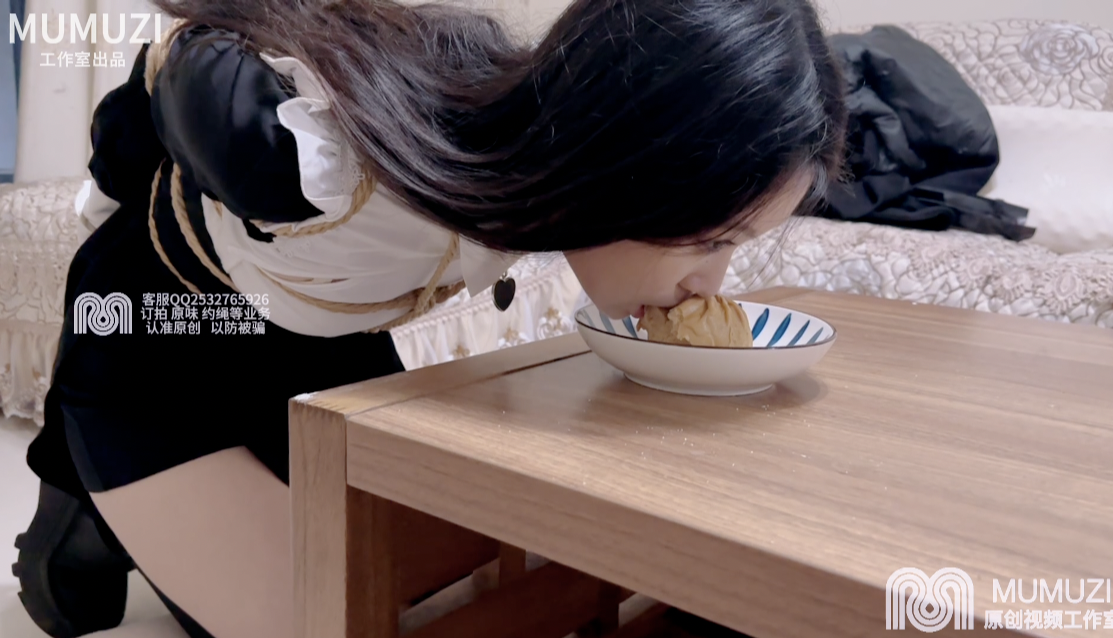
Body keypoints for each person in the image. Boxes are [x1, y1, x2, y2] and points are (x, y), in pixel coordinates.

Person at [12, 0, 846, 635]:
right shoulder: (310, 163)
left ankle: (109, 504)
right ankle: (84, 495)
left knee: (429, 591)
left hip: (326, 340)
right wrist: (111, 178)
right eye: (711, 240)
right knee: (323, 621)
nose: (710, 284)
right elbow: (185, 56)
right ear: (632, 155)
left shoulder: (521, 174)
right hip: (160, 341)